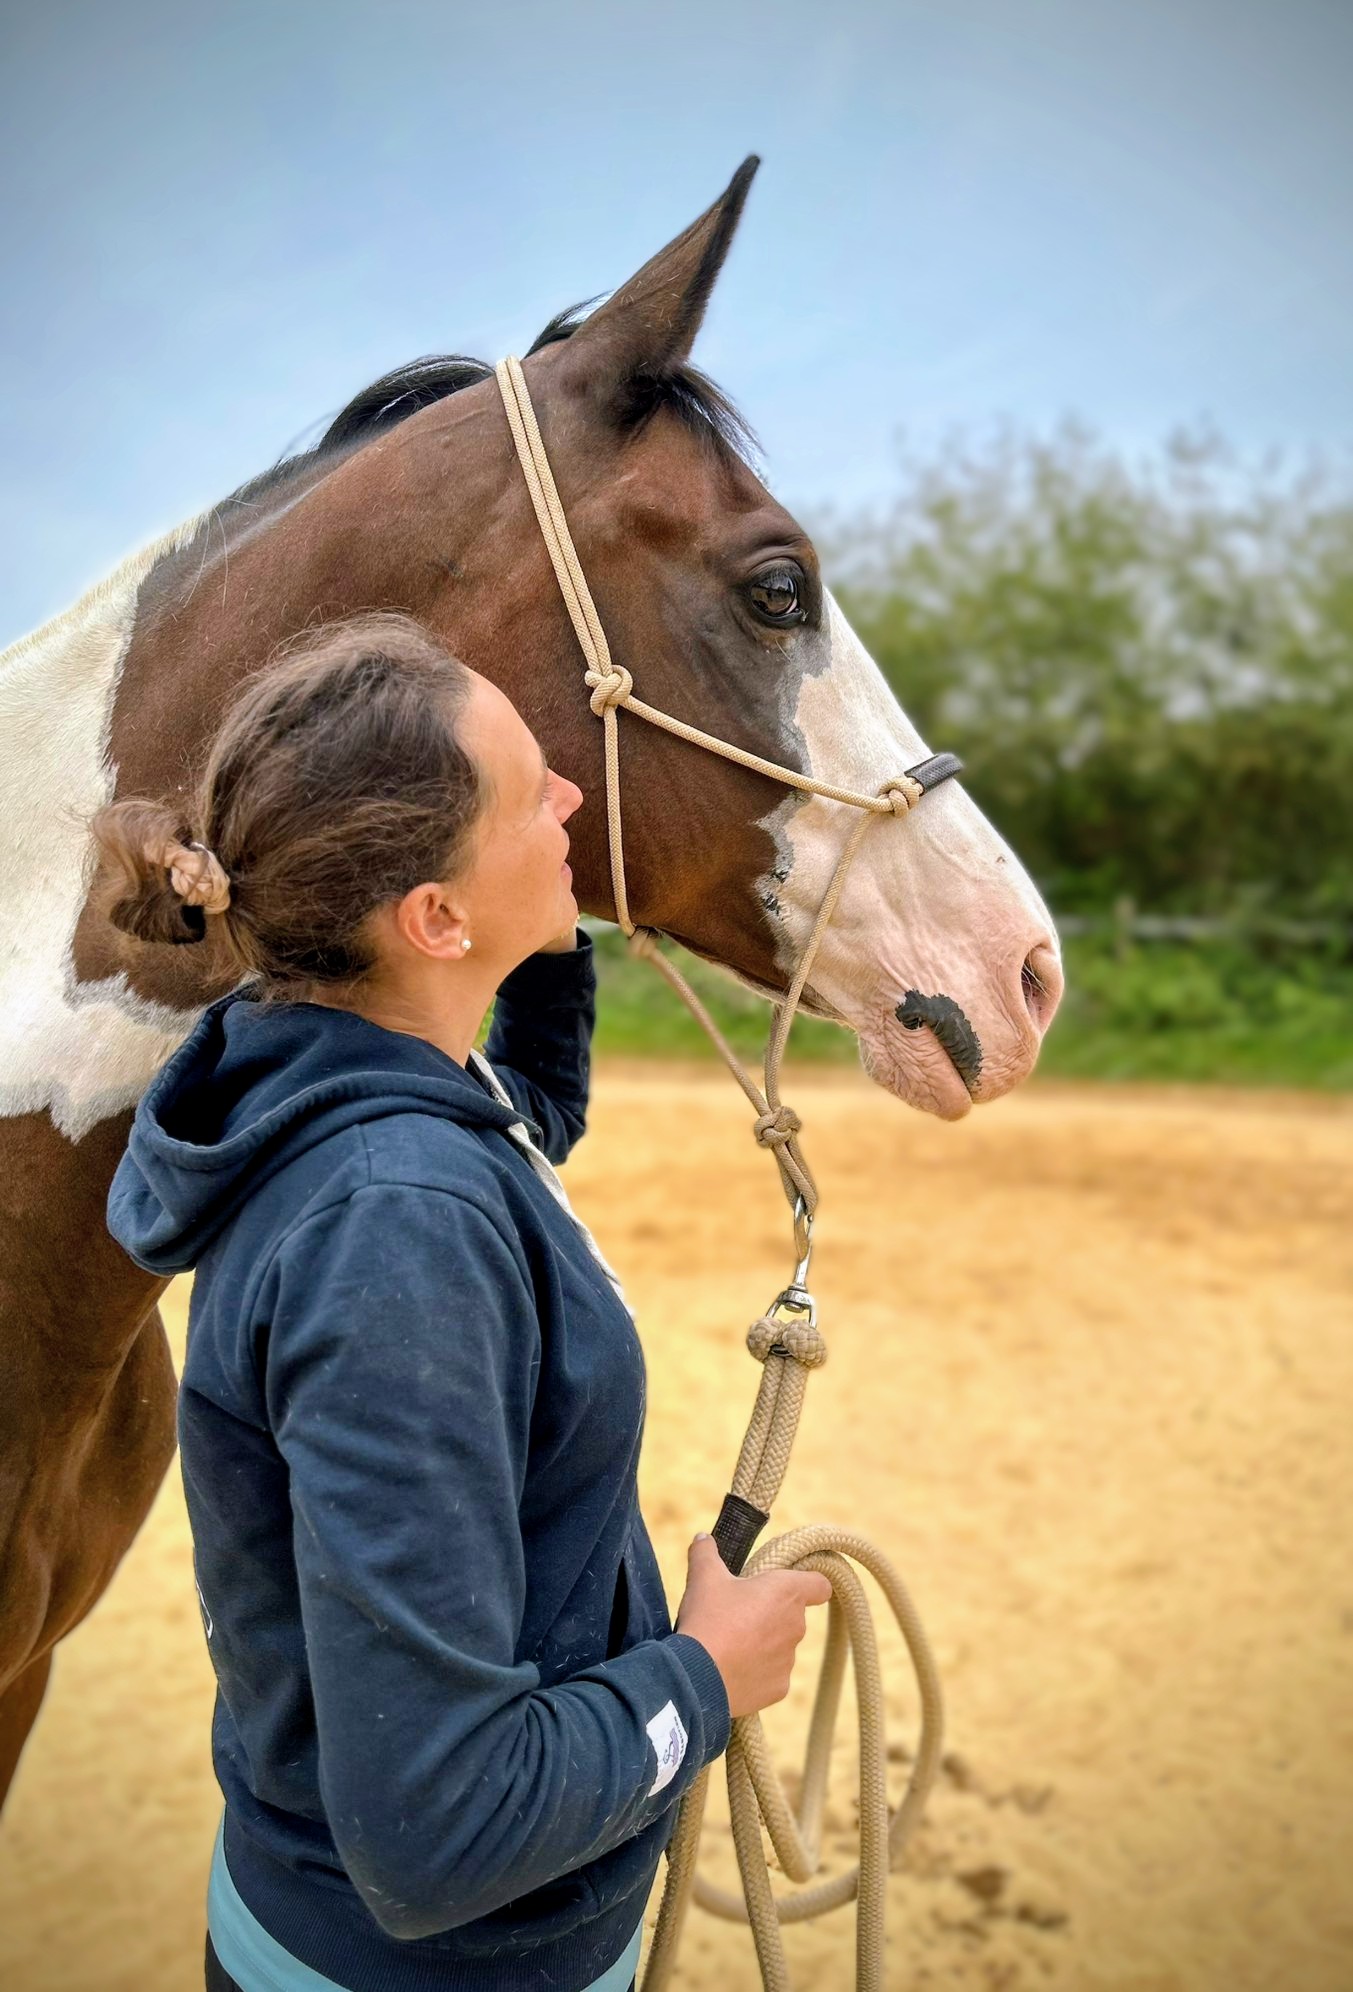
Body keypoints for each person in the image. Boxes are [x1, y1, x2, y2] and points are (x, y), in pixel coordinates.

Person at [98, 614, 832, 1992]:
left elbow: (516, 1109)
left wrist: (539, 924)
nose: (570, 795)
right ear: (430, 920)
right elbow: (440, 1830)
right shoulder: (395, 1233)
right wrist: (704, 1679)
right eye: (529, 788)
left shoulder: (322, 1071)